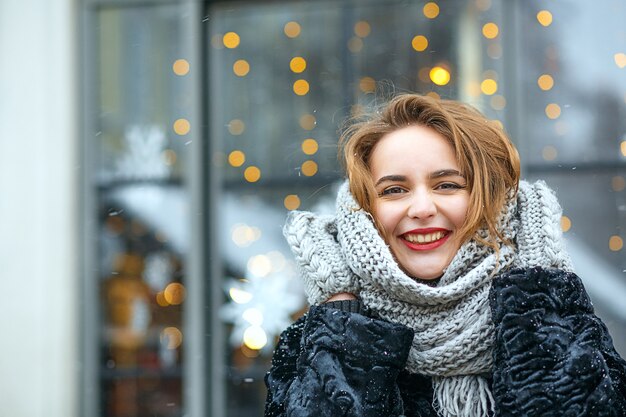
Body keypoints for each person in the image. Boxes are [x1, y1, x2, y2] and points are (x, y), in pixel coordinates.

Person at [264, 94, 626, 417]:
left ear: (491, 201)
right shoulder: (323, 337)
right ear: (364, 212)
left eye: (447, 185)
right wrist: (346, 322)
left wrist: (535, 295)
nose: (421, 208)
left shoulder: (553, 311)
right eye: (394, 189)